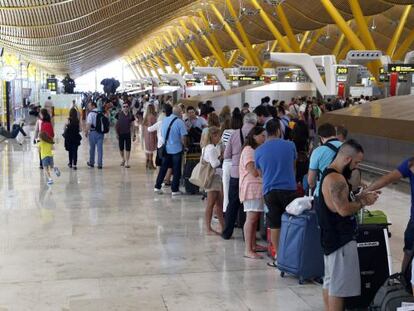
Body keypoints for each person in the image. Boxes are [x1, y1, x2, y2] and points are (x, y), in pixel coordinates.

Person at [319, 140, 379, 311]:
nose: (356, 166)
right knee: (339, 288)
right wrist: (363, 201)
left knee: (330, 283)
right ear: (347, 159)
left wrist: (357, 195)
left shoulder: (329, 173)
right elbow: (344, 209)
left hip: (330, 238)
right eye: (356, 162)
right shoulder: (337, 178)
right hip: (341, 240)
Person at [255, 119, 297, 266]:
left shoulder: (259, 150)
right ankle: (292, 254)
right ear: (279, 131)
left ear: (266, 132)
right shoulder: (290, 145)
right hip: (289, 189)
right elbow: (293, 166)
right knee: (292, 222)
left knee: (274, 224)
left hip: (270, 191)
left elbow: (260, 172)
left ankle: (278, 257)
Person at [366, 156, 414, 277]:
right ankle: (404, 280)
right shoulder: (410, 164)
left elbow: (388, 179)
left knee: (409, 250)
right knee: (409, 250)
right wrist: (366, 191)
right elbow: (388, 178)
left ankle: (405, 280)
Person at [222, 112, 257, 240]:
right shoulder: (257, 134)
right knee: (247, 206)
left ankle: (227, 232)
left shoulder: (234, 134)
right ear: (255, 122)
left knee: (232, 203)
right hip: (250, 175)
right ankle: (246, 235)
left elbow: (227, 154)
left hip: (235, 173)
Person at [240, 126, 267, 259]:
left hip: (256, 187)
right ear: (255, 136)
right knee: (251, 219)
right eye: (262, 136)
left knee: (254, 218)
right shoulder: (249, 150)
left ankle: (253, 245)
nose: (264, 139)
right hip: (251, 188)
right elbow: (253, 171)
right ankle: (248, 249)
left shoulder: (254, 150)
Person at [154, 105, 188, 196]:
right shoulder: (180, 122)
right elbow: (183, 137)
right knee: (176, 169)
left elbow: (162, 133)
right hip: (176, 149)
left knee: (163, 168)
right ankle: (174, 190)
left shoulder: (165, 120)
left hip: (166, 148)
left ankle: (157, 187)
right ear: (180, 113)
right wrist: (185, 146)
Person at [201, 126, 225, 235]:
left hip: (213, 178)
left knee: (219, 203)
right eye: (218, 136)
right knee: (211, 204)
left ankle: (223, 225)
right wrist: (221, 157)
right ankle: (208, 228)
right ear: (213, 136)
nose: (219, 138)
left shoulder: (206, 147)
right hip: (213, 178)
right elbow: (215, 164)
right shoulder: (212, 148)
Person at [308, 123, 343, 197]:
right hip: (343, 193)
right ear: (335, 134)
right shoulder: (347, 147)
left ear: (321, 137)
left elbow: (311, 181)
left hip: (323, 194)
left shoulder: (318, 151)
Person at [221, 111, 243, 213]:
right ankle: (239, 215)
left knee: (226, 190)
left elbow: (223, 148)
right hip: (239, 163)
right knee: (239, 190)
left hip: (227, 163)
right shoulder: (243, 133)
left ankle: (226, 212)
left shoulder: (226, 132)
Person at [116, 102, 136, 168]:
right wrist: (116, 133)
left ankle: (127, 162)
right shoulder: (118, 114)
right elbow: (116, 125)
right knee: (121, 148)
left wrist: (134, 134)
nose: (125, 108)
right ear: (122, 108)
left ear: (128, 107)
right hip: (120, 134)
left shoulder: (131, 115)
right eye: (124, 106)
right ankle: (123, 159)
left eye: (126, 106)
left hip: (127, 133)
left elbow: (133, 125)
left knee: (128, 148)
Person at [85, 102, 104, 169]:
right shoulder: (101, 112)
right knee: (100, 149)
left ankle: (92, 162)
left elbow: (89, 124)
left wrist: (86, 132)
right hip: (101, 133)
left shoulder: (91, 114)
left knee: (92, 149)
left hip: (93, 132)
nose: (88, 107)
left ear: (93, 106)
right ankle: (100, 164)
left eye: (89, 106)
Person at [143, 104, 157, 169]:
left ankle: (147, 162)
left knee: (147, 150)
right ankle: (151, 164)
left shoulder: (146, 117)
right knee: (151, 150)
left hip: (146, 136)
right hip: (151, 135)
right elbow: (155, 127)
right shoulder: (153, 117)